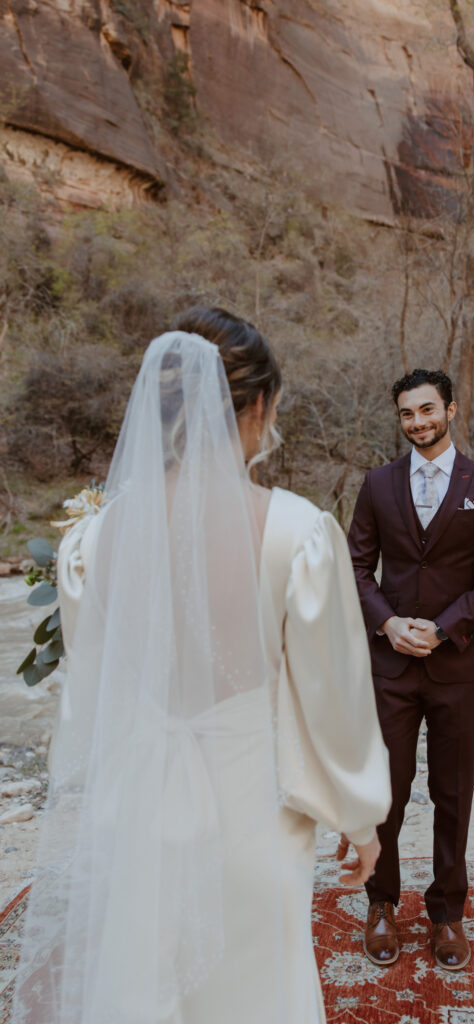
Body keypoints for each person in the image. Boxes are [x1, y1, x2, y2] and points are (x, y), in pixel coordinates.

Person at [11, 309, 391, 1024]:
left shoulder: (90, 543)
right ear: (255, 407)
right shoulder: (298, 533)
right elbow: (331, 696)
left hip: (139, 807)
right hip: (252, 810)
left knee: (143, 983)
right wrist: (358, 816)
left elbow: (88, 693)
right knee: (253, 987)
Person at [347, 368, 474, 972]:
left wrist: (442, 629)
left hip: (460, 667)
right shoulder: (377, 484)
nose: (417, 422)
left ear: (450, 409)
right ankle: (381, 903)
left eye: (426, 410)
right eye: (406, 414)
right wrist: (390, 624)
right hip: (389, 666)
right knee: (385, 795)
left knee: (452, 794)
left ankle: (447, 912)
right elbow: (356, 567)